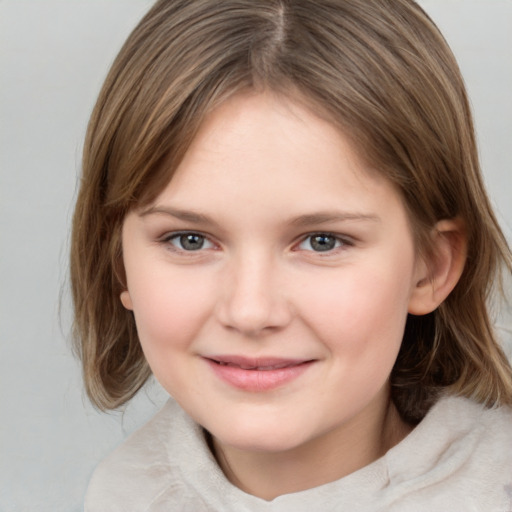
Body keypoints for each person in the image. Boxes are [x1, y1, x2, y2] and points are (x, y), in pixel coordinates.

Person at [71, 0, 512, 510]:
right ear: (119, 260)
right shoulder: (124, 493)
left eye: (322, 241)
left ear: (431, 266)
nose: (251, 311)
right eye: (189, 239)